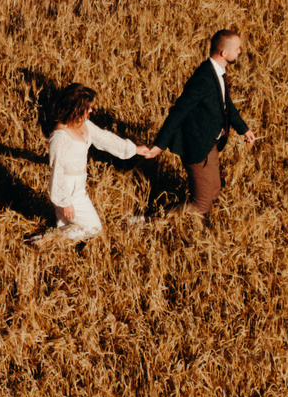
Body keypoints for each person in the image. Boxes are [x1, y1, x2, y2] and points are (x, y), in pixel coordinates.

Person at [151, 28, 256, 220]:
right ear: (224, 52)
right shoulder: (204, 77)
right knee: (200, 204)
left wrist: (244, 129)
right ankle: (150, 220)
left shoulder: (217, 72)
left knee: (214, 191)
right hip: (197, 147)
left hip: (210, 143)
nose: (240, 52)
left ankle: (192, 225)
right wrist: (159, 144)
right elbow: (179, 111)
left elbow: (225, 105)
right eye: (237, 49)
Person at [31, 83, 146, 245]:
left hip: (79, 186)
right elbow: (57, 170)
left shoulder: (83, 124)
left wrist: (135, 149)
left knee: (72, 228)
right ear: (76, 108)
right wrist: (65, 202)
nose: (91, 110)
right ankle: (44, 240)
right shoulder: (60, 136)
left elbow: (106, 139)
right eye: (88, 107)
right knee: (94, 228)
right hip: (67, 188)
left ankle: (48, 241)